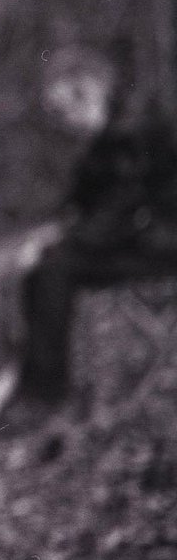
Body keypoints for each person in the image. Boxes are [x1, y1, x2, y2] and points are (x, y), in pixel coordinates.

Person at [19, 52, 177, 401]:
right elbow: (81, 203)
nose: (62, 123)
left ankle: (46, 391)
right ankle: (28, 382)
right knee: (38, 270)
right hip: (133, 237)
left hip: (158, 242)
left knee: (54, 270)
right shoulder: (105, 139)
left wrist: (63, 241)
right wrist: (51, 232)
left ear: (90, 90)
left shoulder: (135, 132)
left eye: (64, 110)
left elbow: (121, 211)